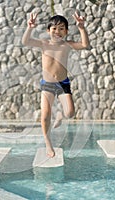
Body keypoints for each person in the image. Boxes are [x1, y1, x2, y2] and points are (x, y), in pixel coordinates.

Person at [22, 11, 90, 158]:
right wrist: (30, 27)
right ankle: (48, 144)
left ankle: (59, 114)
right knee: (45, 116)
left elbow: (85, 45)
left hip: (63, 83)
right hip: (47, 84)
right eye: (54, 28)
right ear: (48, 30)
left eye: (61, 29)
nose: (57, 31)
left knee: (70, 113)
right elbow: (26, 42)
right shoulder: (43, 44)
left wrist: (82, 28)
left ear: (66, 31)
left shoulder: (67, 45)